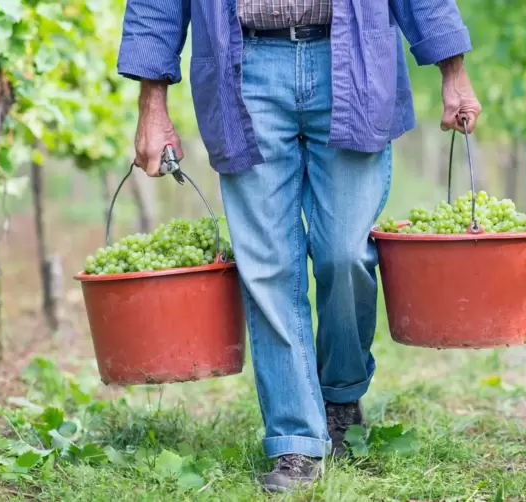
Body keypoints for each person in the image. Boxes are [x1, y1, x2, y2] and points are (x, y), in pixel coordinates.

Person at [117, 0, 481, 492]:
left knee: (344, 253)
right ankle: (294, 439)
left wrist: (452, 69)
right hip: (244, 66)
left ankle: (340, 394)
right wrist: (151, 105)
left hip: (351, 57)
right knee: (267, 267)